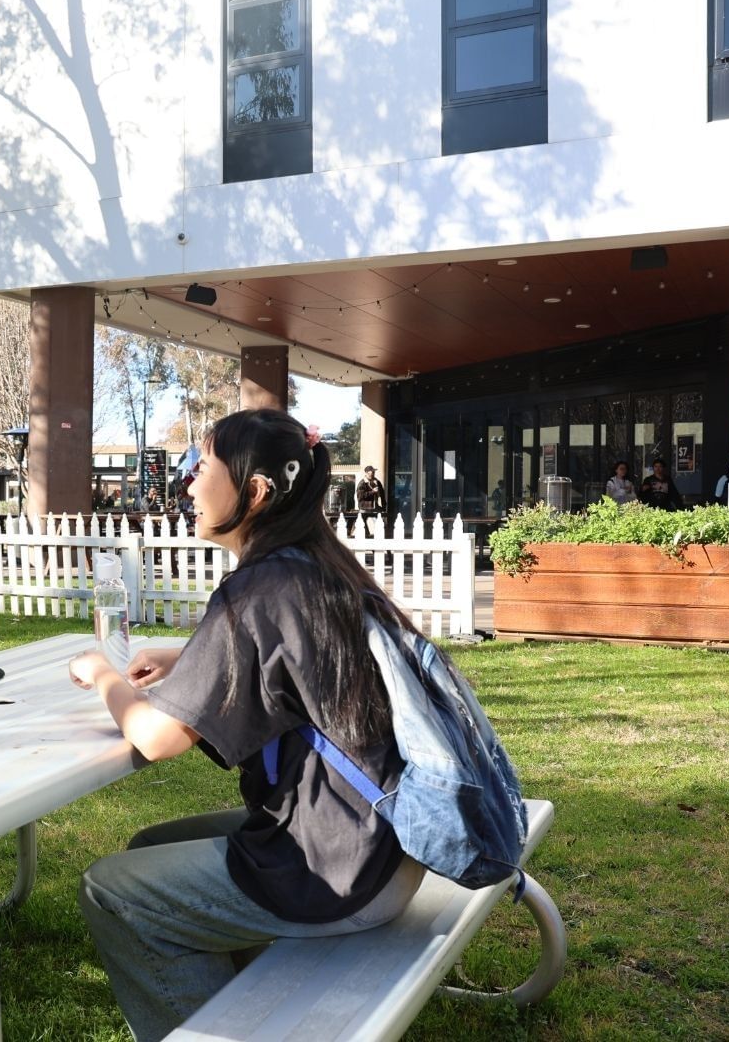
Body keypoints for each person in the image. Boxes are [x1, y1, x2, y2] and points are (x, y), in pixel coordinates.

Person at [67, 408, 438, 1039]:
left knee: (113, 890)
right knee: (149, 851)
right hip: (385, 843)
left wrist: (102, 674)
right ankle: (238, 1011)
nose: (187, 483)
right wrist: (190, 657)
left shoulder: (258, 588)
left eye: (202, 465)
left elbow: (156, 740)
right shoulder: (319, 563)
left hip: (338, 869)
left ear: (256, 491)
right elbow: (293, 663)